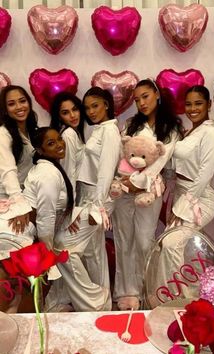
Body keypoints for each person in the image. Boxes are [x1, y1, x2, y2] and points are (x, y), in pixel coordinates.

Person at [112, 79, 182, 311]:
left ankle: (147, 290)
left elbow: (161, 161)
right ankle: (126, 294)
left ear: (157, 94)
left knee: (144, 241)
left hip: (150, 191)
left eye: (146, 96)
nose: (141, 103)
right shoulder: (131, 124)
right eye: (137, 99)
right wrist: (124, 182)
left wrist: (137, 183)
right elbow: (122, 155)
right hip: (123, 191)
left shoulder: (170, 128)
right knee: (124, 240)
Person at [23, 127, 110, 311]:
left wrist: (70, 217)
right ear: (40, 150)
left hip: (50, 228)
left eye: (59, 139)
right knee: (65, 254)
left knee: (83, 228)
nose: (60, 145)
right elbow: (45, 217)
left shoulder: (52, 167)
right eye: (51, 143)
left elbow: (55, 210)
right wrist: (47, 251)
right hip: (33, 234)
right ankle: (93, 303)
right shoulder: (48, 174)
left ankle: (67, 300)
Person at [155, 85, 214, 302]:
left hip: (198, 198)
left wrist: (184, 205)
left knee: (170, 244)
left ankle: (174, 300)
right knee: (182, 250)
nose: (192, 109)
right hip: (182, 193)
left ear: (209, 105)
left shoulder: (211, 133)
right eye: (189, 104)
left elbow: (205, 174)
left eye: (198, 103)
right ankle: (185, 298)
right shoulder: (191, 131)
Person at [76, 87, 121, 293]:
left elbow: (106, 170)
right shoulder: (99, 129)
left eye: (95, 106)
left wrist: (99, 206)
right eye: (87, 108)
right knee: (91, 251)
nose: (91, 112)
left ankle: (100, 300)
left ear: (106, 104)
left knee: (92, 251)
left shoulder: (110, 130)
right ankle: (99, 298)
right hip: (88, 193)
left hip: (97, 196)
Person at [0, 85, 38, 312]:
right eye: (11, 103)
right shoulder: (3, 133)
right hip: (8, 201)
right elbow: (8, 172)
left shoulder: (30, 131)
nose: (19, 107)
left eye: (22, 101)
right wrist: (19, 206)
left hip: (25, 200)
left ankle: (16, 312)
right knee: (9, 252)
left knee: (21, 264)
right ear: (5, 109)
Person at [50, 92, 85, 196]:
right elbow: (68, 172)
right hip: (69, 192)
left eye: (75, 109)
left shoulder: (74, 132)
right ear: (59, 116)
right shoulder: (68, 134)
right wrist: (71, 203)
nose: (72, 115)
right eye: (65, 112)